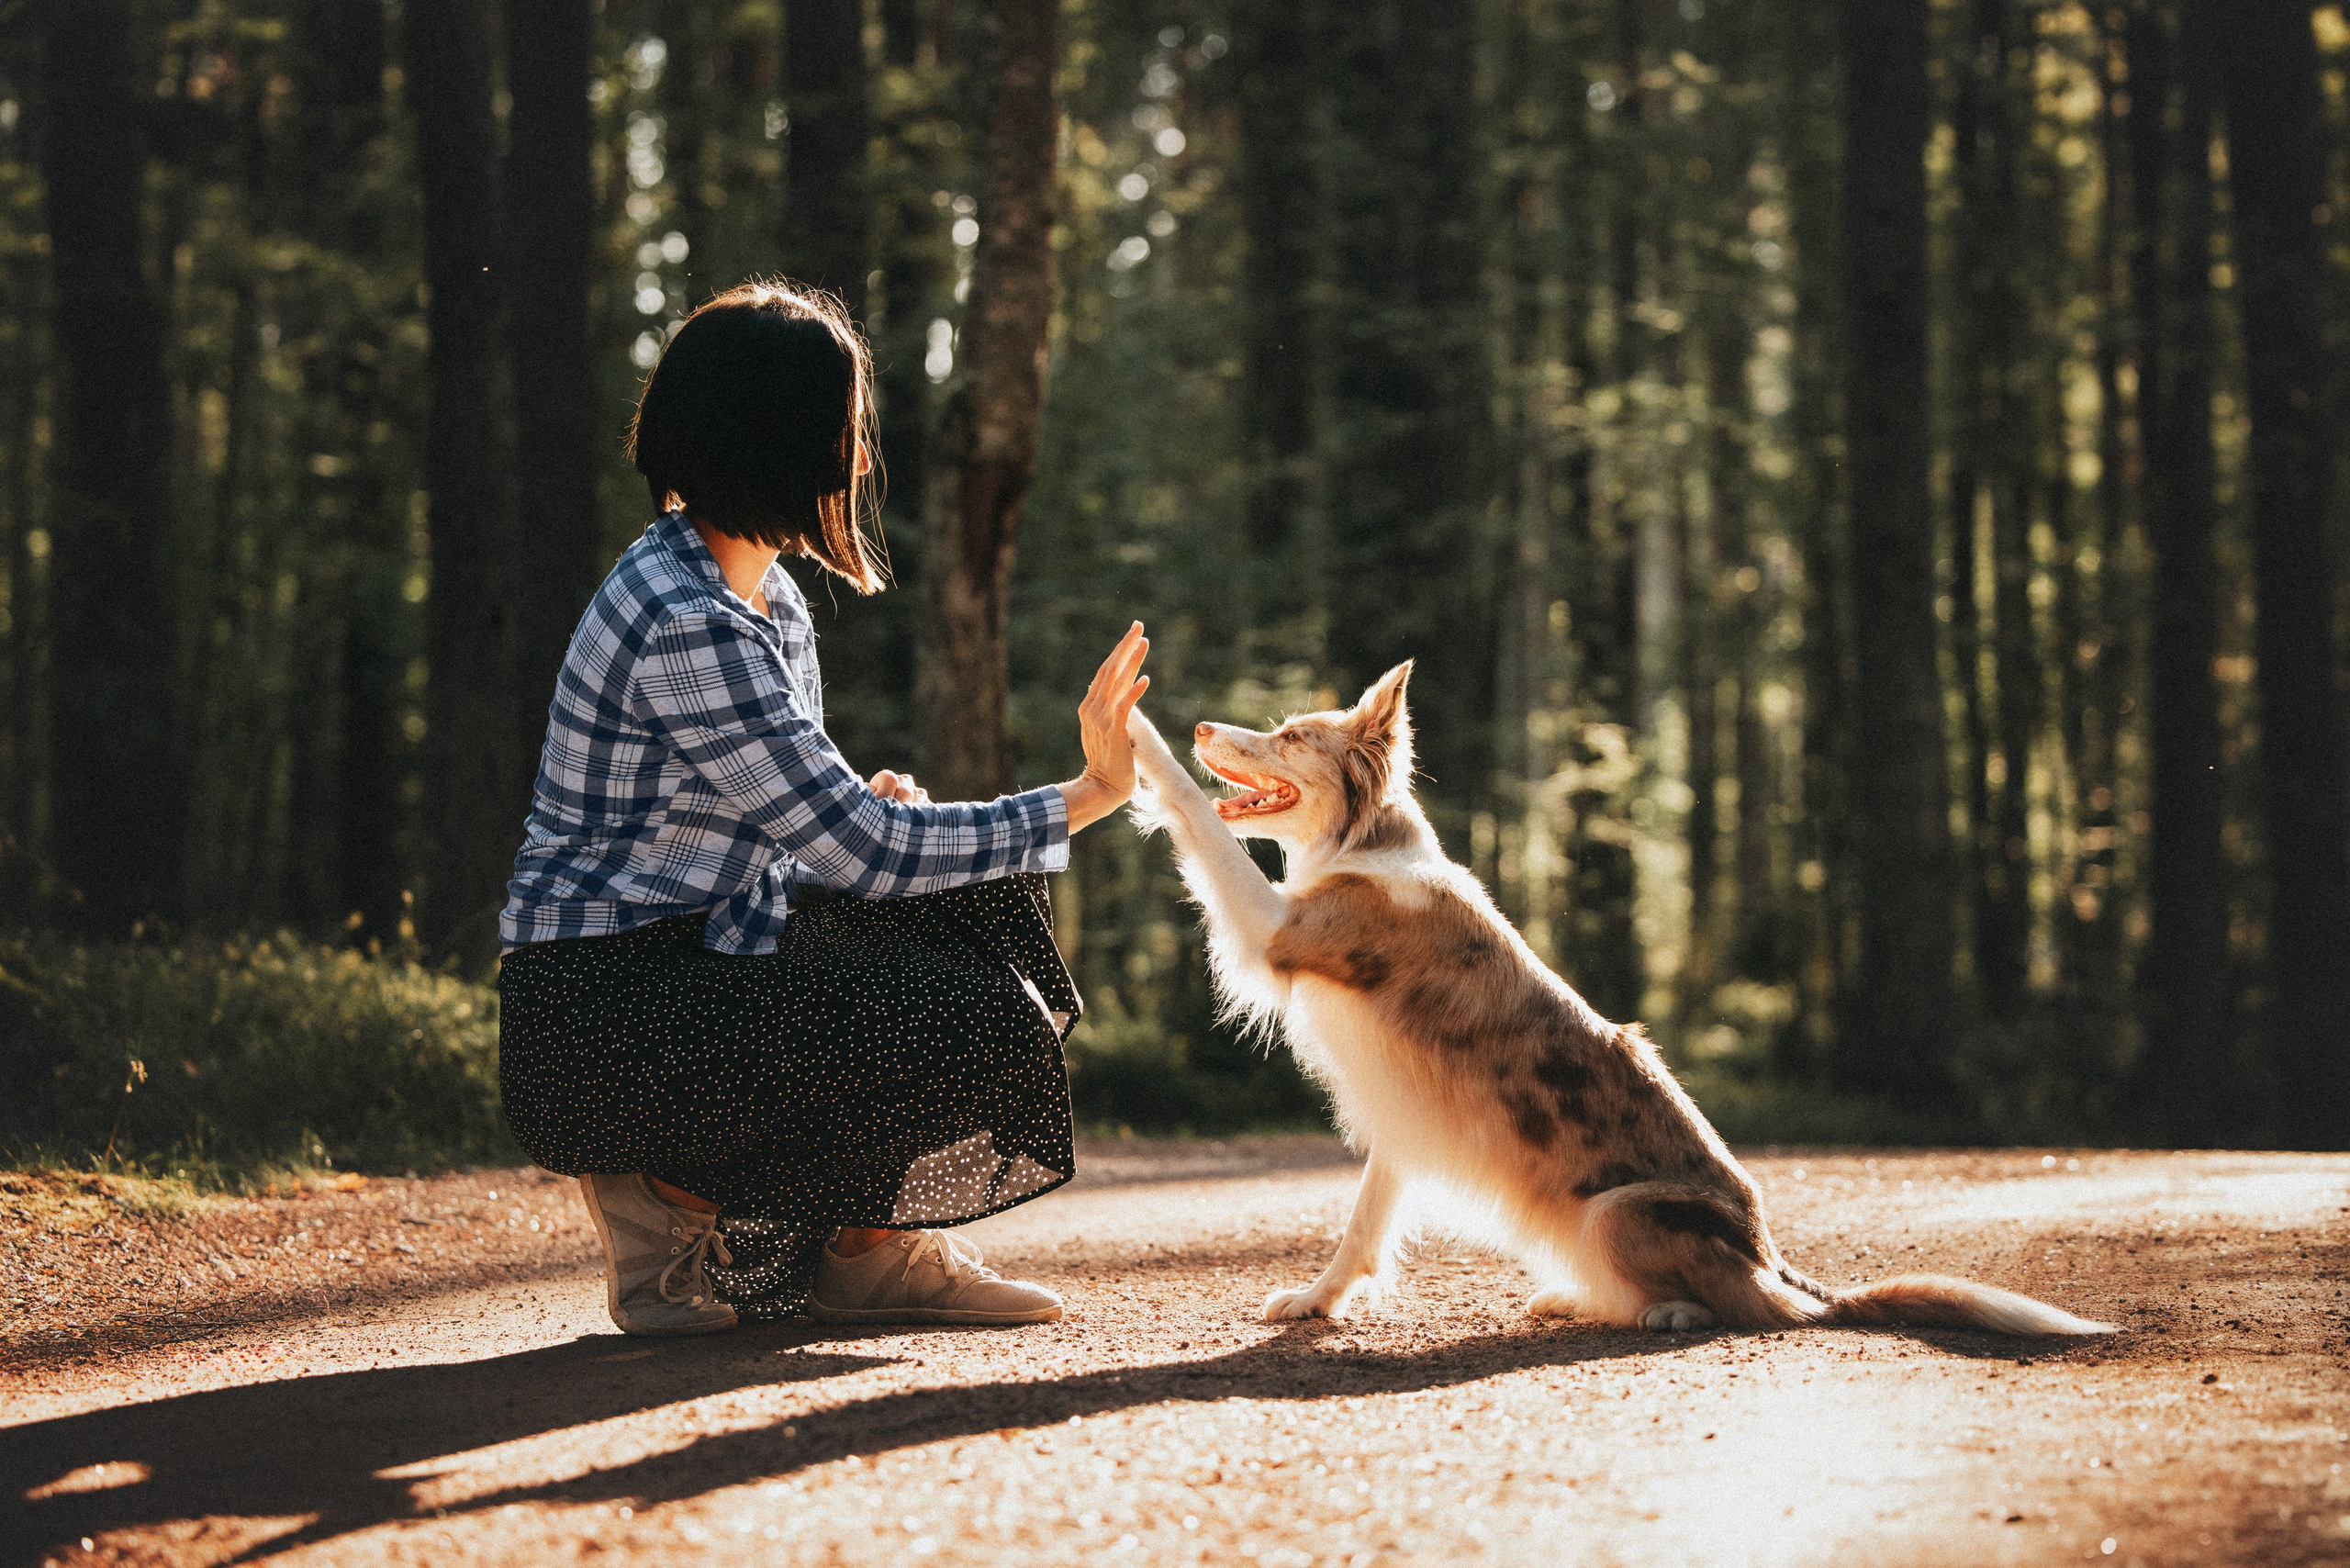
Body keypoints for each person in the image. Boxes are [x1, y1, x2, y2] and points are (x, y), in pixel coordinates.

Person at [495, 281, 1149, 1336]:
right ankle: (666, 1201)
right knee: (970, 1010)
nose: (860, 456)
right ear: (781, 440)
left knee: (973, 924)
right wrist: (1089, 795)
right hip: (602, 1016)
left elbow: (791, 845)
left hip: (696, 965)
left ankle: (867, 1251)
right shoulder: (689, 617)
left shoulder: (767, 600)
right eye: (845, 429)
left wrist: (854, 827)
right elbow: (867, 852)